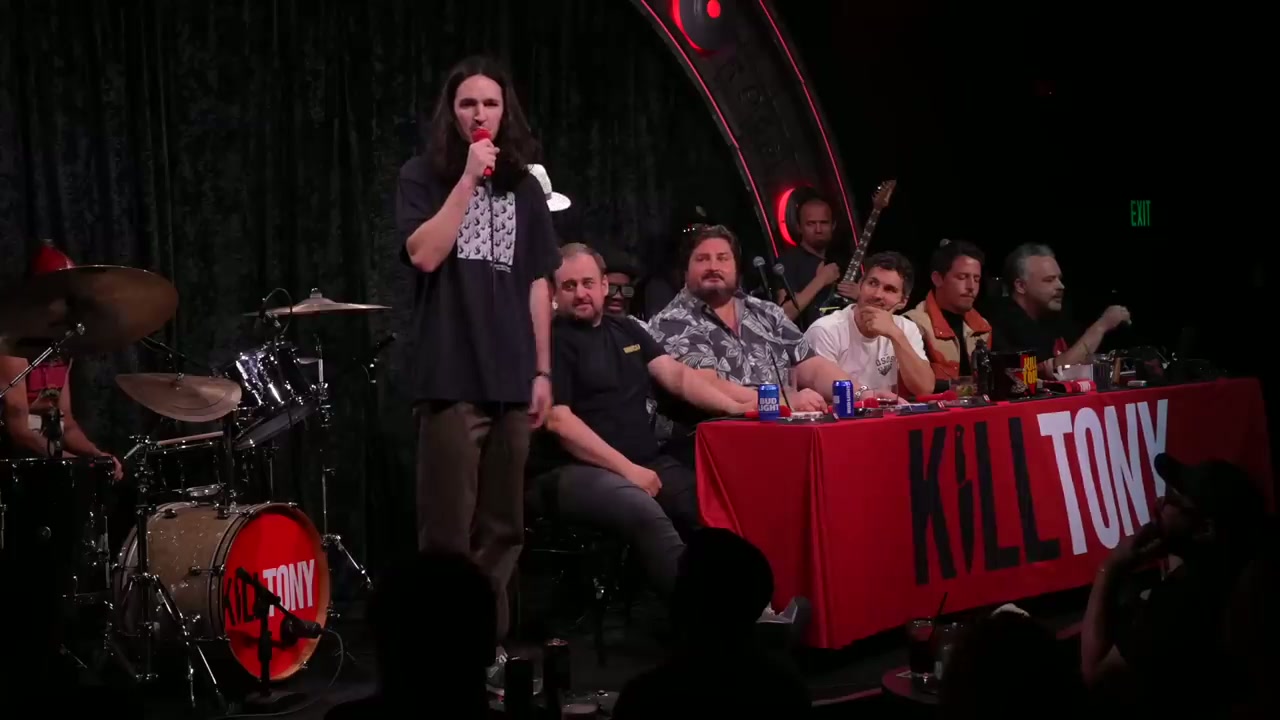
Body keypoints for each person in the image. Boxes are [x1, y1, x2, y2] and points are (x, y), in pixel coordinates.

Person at [396, 55, 558, 669]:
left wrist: (542, 371)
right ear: (453, 113)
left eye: (490, 103)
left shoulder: (525, 188)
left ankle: (483, 646)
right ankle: (441, 656)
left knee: (504, 528)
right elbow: (424, 255)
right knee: (447, 532)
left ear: (505, 111)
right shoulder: (423, 176)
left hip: (512, 377)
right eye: (468, 103)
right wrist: (467, 179)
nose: (480, 113)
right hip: (450, 376)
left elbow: (537, 284)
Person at [534, 244, 753, 595]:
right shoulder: (551, 341)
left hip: (646, 460)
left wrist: (734, 407)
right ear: (554, 293)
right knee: (643, 509)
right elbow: (558, 420)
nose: (581, 293)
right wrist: (629, 471)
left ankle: (747, 604)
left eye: (588, 283)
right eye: (569, 286)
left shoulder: (627, 330)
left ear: (604, 285)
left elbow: (678, 377)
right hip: (576, 469)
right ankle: (698, 608)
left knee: (714, 506)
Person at [1080, 453, 1267, 713]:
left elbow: (1095, 673)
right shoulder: (1234, 569)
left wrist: (1110, 567)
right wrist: (1175, 543)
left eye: (1173, 498)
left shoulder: (1179, 606)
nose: (1160, 502)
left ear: (1205, 529)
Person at [647, 224, 848, 413]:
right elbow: (706, 384)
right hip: (722, 429)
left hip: (785, 422)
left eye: (722, 258)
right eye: (702, 259)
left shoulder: (766, 312)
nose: (713, 266)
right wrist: (782, 402)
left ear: (737, 269)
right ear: (685, 271)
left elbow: (811, 366)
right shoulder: (673, 321)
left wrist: (858, 393)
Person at [0, 242, 123, 480]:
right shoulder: (11, 348)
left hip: (50, 460)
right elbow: (19, 430)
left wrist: (97, 456)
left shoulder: (63, 347)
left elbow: (67, 423)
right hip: (17, 467)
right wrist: (73, 463)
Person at [804, 251, 933, 400]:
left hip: (885, 412)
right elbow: (822, 397)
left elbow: (924, 388)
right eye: (872, 283)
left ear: (903, 301)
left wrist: (894, 334)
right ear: (860, 285)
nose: (877, 295)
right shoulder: (825, 330)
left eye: (889, 289)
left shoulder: (905, 328)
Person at [988, 243, 1129, 376]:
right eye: (1049, 280)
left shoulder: (1055, 316)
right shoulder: (1002, 322)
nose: (1061, 286)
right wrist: (1101, 326)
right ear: (1021, 286)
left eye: (1059, 279)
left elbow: (1082, 358)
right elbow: (1053, 372)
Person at [903, 240, 993, 383]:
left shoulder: (983, 327)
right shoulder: (912, 325)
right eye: (962, 277)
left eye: (976, 279)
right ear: (937, 279)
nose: (971, 286)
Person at [774, 195, 856, 330]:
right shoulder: (788, 262)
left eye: (824, 223)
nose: (818, 229)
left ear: (833, 226)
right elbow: (784, 315)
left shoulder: (842, 261)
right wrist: (821, 280)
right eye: (811, 224)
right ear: (799, 227)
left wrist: (860, 296)